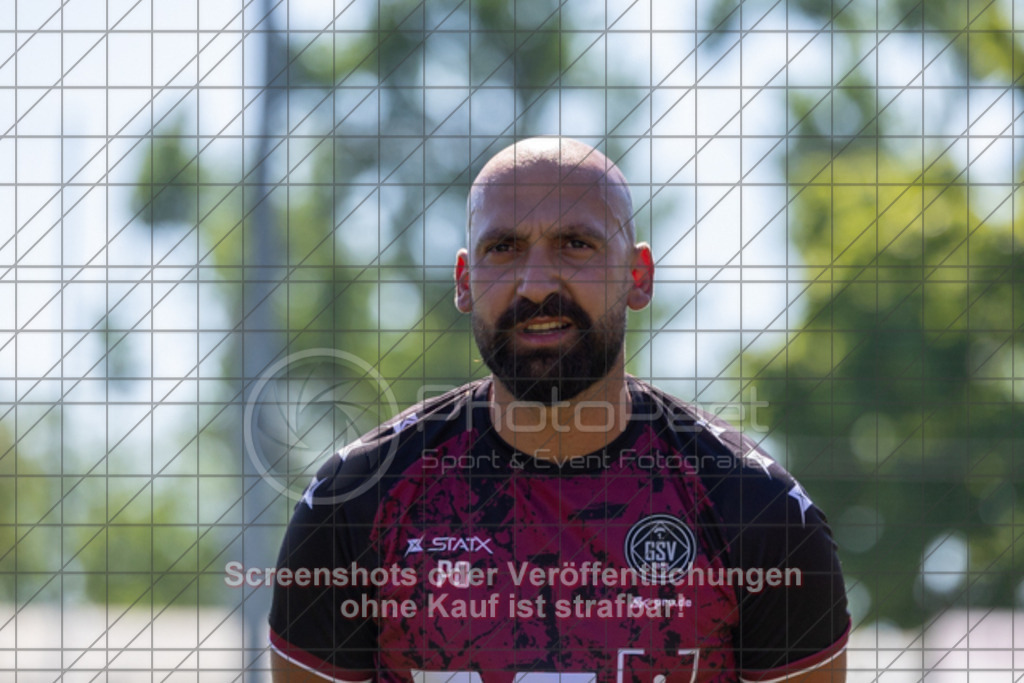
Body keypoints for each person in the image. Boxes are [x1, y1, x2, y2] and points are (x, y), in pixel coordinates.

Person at [267, 138, 850, 682]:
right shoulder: (358, 498)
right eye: (505, 248)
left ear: (637, 276)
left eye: (576, 244)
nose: (535, 283)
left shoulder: (757, 509)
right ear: (465, 282)